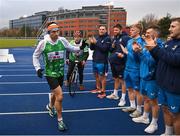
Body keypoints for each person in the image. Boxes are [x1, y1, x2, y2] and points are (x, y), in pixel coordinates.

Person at [33, 22, 86, 131]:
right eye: (53, 31)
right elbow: (35, 56)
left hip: (60, 73)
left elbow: (72, 48)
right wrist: (37, 68)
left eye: (58, 31)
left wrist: (81, 47)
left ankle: (50, 106)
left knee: (54, 92)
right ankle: (60, 120)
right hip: (50, 73)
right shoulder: (43, 43)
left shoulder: (62, 40)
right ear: (49, 32)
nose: (56, 33)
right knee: (60, 96)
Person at [145, 17, 180, 135]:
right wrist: (152, 50)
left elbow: (175, 60)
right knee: (165, 109)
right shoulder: (169, 42)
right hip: (163, 84)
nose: (170, 29)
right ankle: (168, 132)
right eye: (170, 26)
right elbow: (161, 59)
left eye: (173, 26)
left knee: (176, 115)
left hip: (175, 87)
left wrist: (155, 49)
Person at [132, 25, 164, 134]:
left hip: (152, 78)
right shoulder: (146, 44)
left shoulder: (158, 46)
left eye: (148, 32)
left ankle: (154, 123)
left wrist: (141, 52)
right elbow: (143, 60)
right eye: (146, 32)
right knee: (145, 98)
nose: (146, 34)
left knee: (153, 101)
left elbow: (151, 62)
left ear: (155, 34)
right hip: (144, 76)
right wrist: (138, 51)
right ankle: (145, 117)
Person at [121, 23, 144, 118]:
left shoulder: (141, 41)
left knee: (137, 90)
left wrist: (127, 53)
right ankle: (132, 106)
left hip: (136, 69)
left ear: (138, 31)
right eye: (130, 30)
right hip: (127, 68)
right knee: (129, 88)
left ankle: (139, 110)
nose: (131, 31)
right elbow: (127, 54)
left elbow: (139, 58)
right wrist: (124, 54)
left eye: (133, 30)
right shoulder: (129, 41)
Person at [106, 24, 131, 107]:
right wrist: (112, 47)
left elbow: (129, 50)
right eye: (114, 30)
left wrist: (124, 56)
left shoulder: (125, 38)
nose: (115, 31)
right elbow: (111, 49)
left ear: (121, 30)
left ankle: (123, 99)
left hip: (121, 63)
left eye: (116, 30)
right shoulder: (114, 38)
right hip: (114, 62)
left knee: (122, 81)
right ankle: (115, 94)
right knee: (115, 78)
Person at [89, 25, 111, 98]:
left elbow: (104, 49)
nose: (101, 30)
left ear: (106, 30)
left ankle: (103, 91)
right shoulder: (97, 37)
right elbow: (92, 49)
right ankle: (98, 88)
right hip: (95, 60)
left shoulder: (107, 38)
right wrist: (91, 43)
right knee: (96, 75)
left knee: (102, 77)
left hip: (102, 61)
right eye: (100, 29)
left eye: (103, 29)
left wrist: (96, 43)